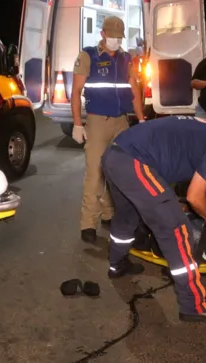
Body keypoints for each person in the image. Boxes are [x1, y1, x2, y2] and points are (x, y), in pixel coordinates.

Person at [102, 114, 206, 323]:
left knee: (127, 216)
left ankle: (117, 264)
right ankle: (193, 305)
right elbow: (194, 197)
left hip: (115, 155)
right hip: (135, 162)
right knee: (178, 230)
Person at [71, 16, 146, 244]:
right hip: (97, 122)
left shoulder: (126, 59)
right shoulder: (88, 56)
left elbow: (133, 91)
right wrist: (76, 123)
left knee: (120, 172)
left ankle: (110, 213)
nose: (115, 41)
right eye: (112, 36)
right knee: (95, 173)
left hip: (121, 122)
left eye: (118, 37)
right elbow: (75, 92)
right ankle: (88, 224)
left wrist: (141, 119)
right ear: (103, 34)